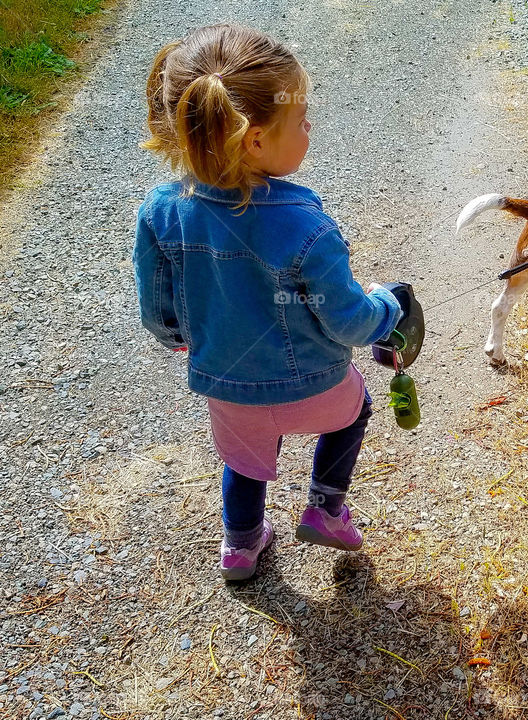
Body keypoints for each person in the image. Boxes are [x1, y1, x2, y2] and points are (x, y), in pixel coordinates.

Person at [133, 24, 402, 581]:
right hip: (318, 386)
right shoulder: (306, 226)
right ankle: (326, 507)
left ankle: (241, 545)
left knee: (243, 461)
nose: (309, 129)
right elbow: (351, 323)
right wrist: (388, 308)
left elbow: (157, 312)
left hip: (227, 387)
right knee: (357, 412)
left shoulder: (161, 209)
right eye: (301, 121)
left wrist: (183, 339)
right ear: (254, 139)